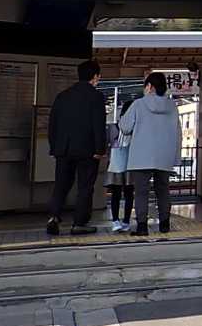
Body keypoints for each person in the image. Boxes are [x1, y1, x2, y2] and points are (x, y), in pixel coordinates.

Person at [46, 60, 108, 236]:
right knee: (85, 187)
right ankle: (79, 223)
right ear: (95, 76)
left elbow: (52, 124)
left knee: (61, 184)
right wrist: (100, 149)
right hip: (87, 150)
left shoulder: (62, 96)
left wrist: (55, 147)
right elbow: (98, 125)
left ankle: (53, 217)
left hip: (63, 149)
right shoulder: (96, 96)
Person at [118, 72, 182, 237]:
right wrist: (176, 157)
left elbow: (125, 127)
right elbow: (178, 132)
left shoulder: (138, 104)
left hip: (141, 156)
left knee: (141, 192)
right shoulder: (172, 106)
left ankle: (142, 227)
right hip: (164, 155)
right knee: (163, 190)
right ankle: (165, 224)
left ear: (149, 86)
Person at [104, 92, 136, 233]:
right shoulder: (134, 129)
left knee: (118, 194)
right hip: (127, 163)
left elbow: (107, 146)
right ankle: (123, 221)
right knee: (127, 194)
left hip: (117, 164)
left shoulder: (113, 128)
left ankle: (118, 220)